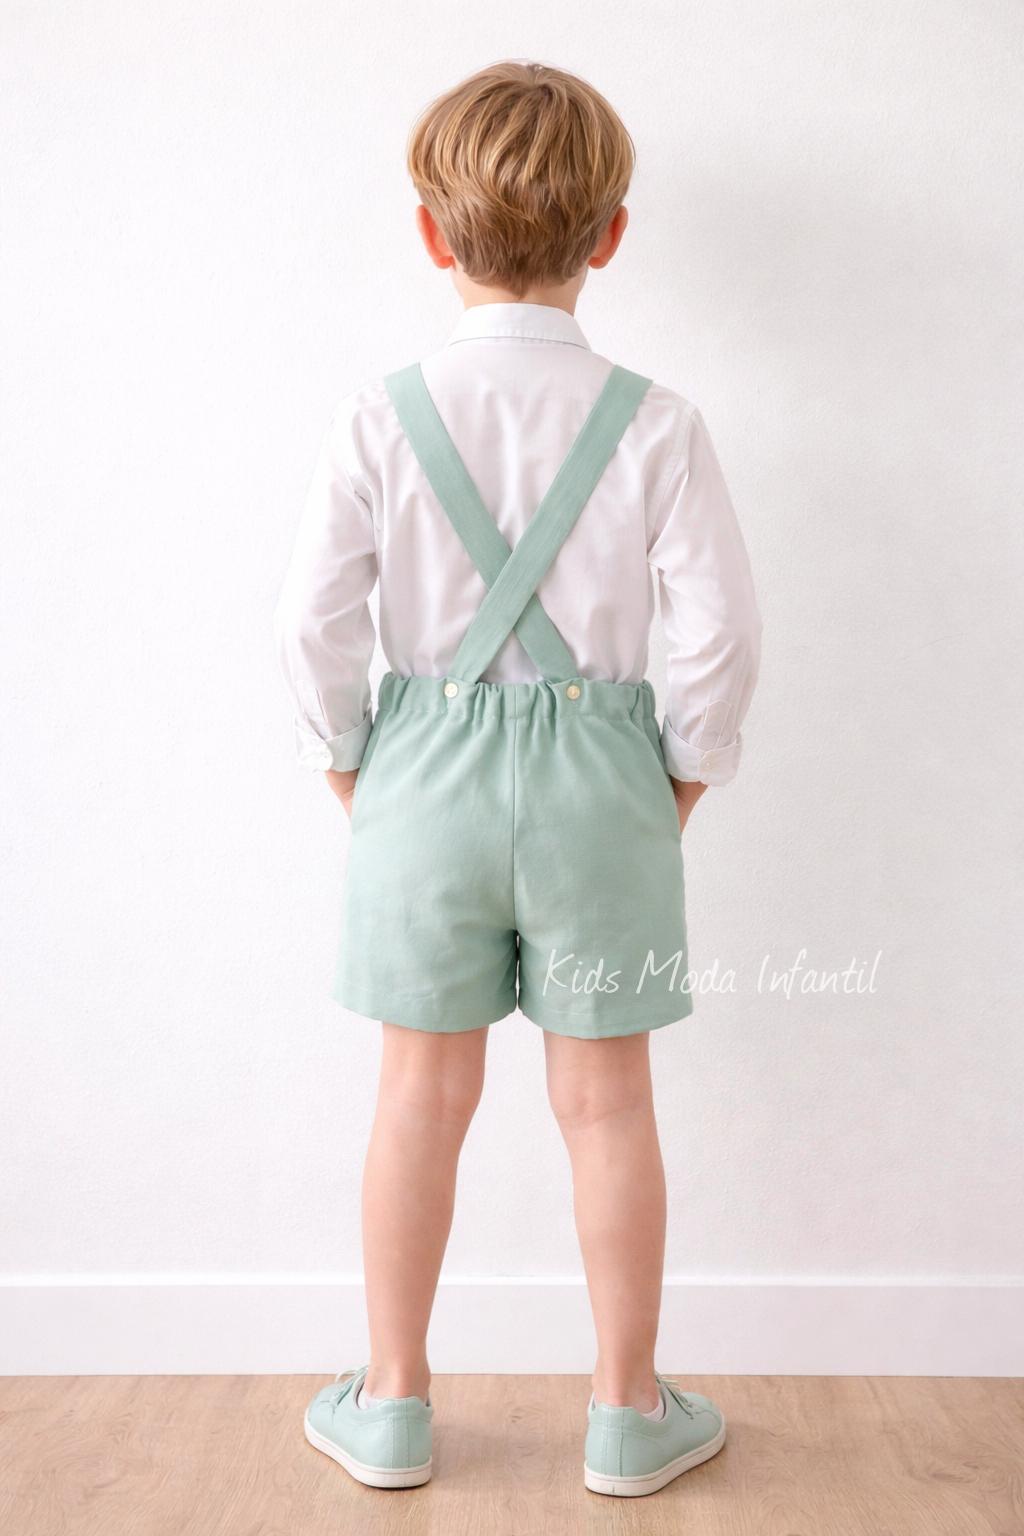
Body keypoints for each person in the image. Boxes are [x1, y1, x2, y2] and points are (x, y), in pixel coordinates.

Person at [274, 59, 761, 1499]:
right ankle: (626, 1414)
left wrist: (353, 769)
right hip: (604, 777)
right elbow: (722, 633)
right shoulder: (658, 421)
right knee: (606, 1104)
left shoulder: (380, 414)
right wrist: (680, 781)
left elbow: (311, 624)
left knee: (418, 1096)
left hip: (419, 772)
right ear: (611, 234)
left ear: (432, 233)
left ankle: (390, 1404)